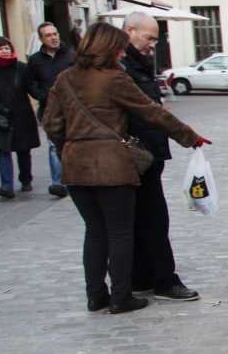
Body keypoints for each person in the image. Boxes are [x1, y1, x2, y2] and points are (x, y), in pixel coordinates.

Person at [41, 23, 208, 314]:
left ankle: (96, 295)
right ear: (107, 48)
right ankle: (121, 296)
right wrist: (189, 136)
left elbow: (51, 123)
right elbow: (151, 111)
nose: (121, 52)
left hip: (76, 166)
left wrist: (69, 147)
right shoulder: (114, 79)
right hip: (112, 165)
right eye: (118, 47)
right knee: (120, 233)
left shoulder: (64, 78)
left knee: (94, 232)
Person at [120, 12, 199, 301]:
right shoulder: (121, 67)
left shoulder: (136, 63)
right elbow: (148, 111)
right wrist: (187, 135)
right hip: (136, 152)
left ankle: (142, 276)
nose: (152, 44)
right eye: (148, 37)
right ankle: (162, 280)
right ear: (130, 31)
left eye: (155, 38)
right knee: (152, 218)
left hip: (148, 151)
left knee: (144, 217)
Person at [0, 37, 40, 199]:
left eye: (7, 48)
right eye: (0, 49)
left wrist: (44, 95)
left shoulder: (22, 68)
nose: (4, 51)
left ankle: (26, 180)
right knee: (2, 151)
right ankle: (7, 185)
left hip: (21, 115)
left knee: (23, 151)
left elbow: (31, 88)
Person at [26, 22, 74, 197]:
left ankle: (74, 178)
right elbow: (29, 83)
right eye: (48, 35)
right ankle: (58, 182)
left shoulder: (70, 55)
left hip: (72, 107)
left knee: (73, 143)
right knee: (54, 145)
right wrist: (42, 95)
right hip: (49, 109)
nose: (53, 37)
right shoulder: (35, 60)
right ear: (41, 39)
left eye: (55, 33)